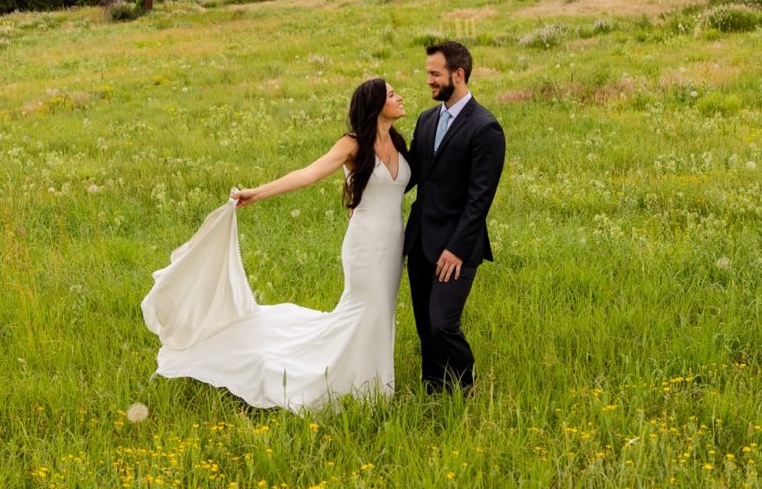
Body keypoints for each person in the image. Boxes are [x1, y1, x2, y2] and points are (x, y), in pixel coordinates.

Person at [141, 78, 411, 412]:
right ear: (374, 105)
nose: (399, 97)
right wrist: (259, 192)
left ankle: (373, 382)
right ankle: (335, 382)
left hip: (393, 245)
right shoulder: (352, 144)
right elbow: (309, 173)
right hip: (366, 246)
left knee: (380, 311)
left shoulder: (399, 143)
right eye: (391, 94)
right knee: (363, 308)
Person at [404, 41, 505, 394]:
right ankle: (433, 390)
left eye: (435, 74)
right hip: (419, 240)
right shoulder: (427, 119)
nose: (429, 80)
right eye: (428, 73)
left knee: (442, 323)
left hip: (456, 247)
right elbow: (412, 174)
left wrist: (457, 249)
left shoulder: (485, 127)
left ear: (457, 75)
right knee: (423, 327)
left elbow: (480, 200)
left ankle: (466, 389)